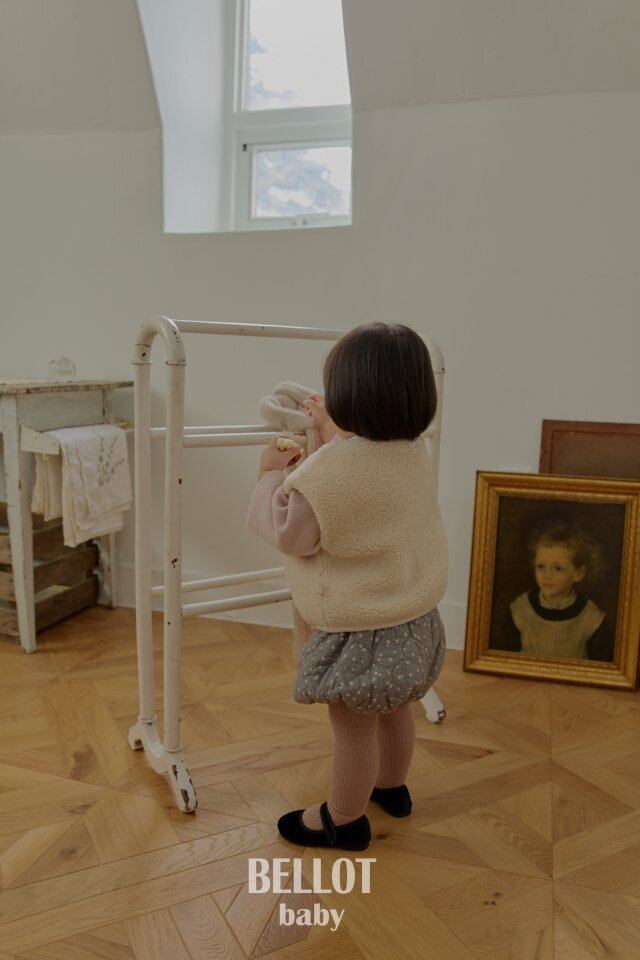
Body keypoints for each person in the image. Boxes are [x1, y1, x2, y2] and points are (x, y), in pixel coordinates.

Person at [246, 321, 448, 851]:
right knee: (395, 708)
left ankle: (343, 820)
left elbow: (291, 532)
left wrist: (269, 474)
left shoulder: (328, 475)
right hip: (411, 618)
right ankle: (392, 788)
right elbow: (365, 470)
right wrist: (330, 430)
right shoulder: (412, 451)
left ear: (349, 396)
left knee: (353, 727)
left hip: (360, 631)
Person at [493, 522, 614, 662]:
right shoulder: (519, 610)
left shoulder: (592, 619)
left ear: (578, 574)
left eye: (557, 568)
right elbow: (503, 660)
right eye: (541, 567)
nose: (546, 575)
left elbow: (603, 667)